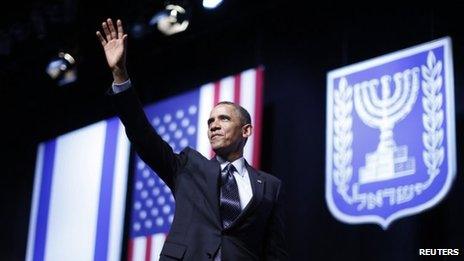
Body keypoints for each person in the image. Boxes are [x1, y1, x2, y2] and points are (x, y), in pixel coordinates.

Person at [96, 18, 288, 261]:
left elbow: (275, 252)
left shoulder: (270, 186)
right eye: (210, 122)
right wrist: (120, 75)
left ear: (246, 131)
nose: (214, 125)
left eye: (224, 119)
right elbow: (142, 135)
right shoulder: (188, 165)